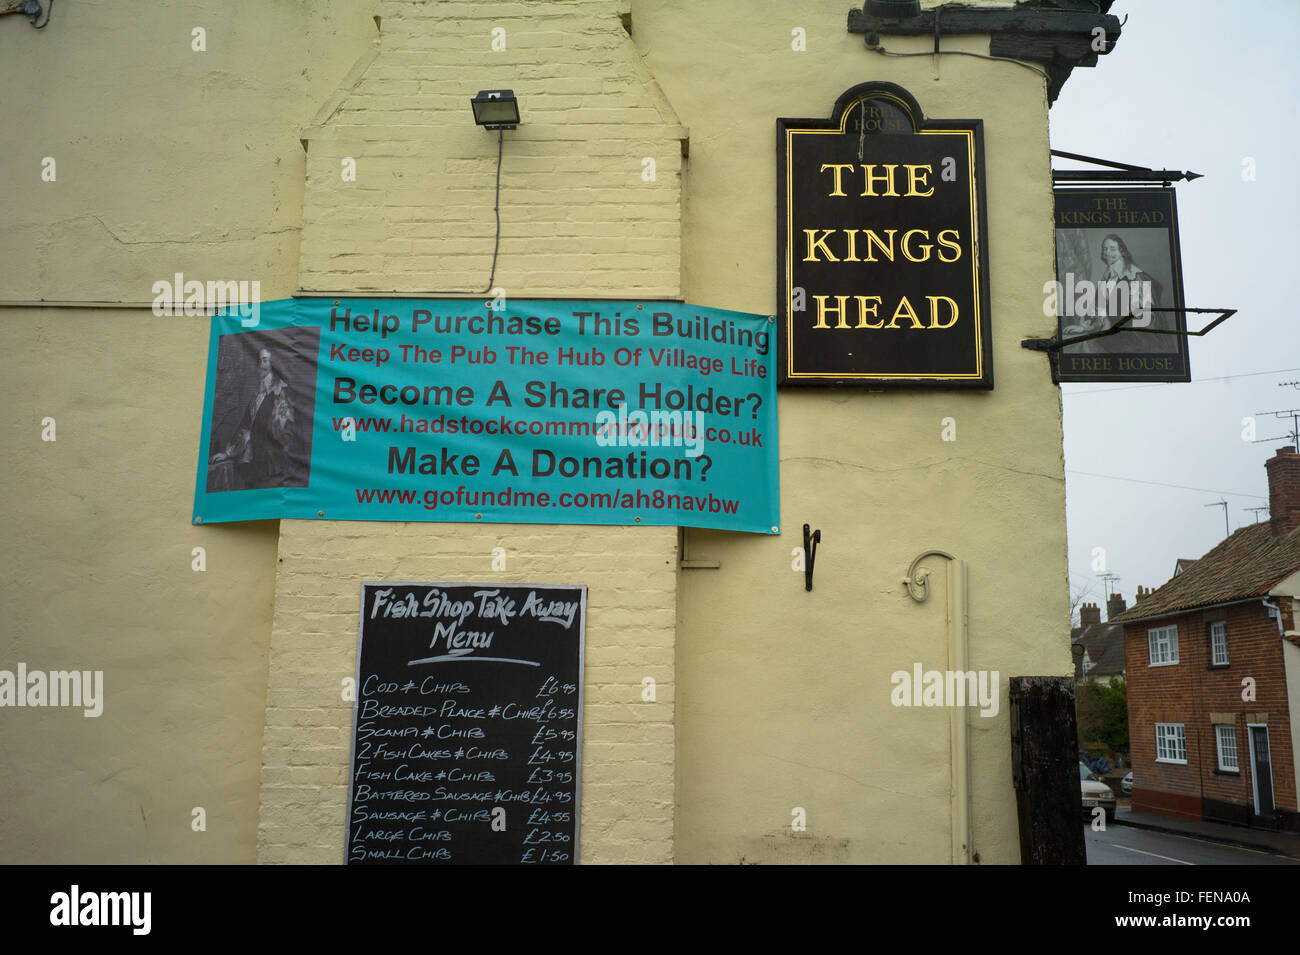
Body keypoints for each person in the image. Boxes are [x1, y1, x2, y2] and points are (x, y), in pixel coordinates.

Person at [210, 348, 294, 489]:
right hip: (255, 466)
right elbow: (245, 426)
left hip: (273, 468)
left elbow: (281, 432)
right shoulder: (257, 396)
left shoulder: (282, 393)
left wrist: (252, 436)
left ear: (274, 363)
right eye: (260, 360)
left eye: (265, 360)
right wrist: (227, 452)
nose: (261, 365)